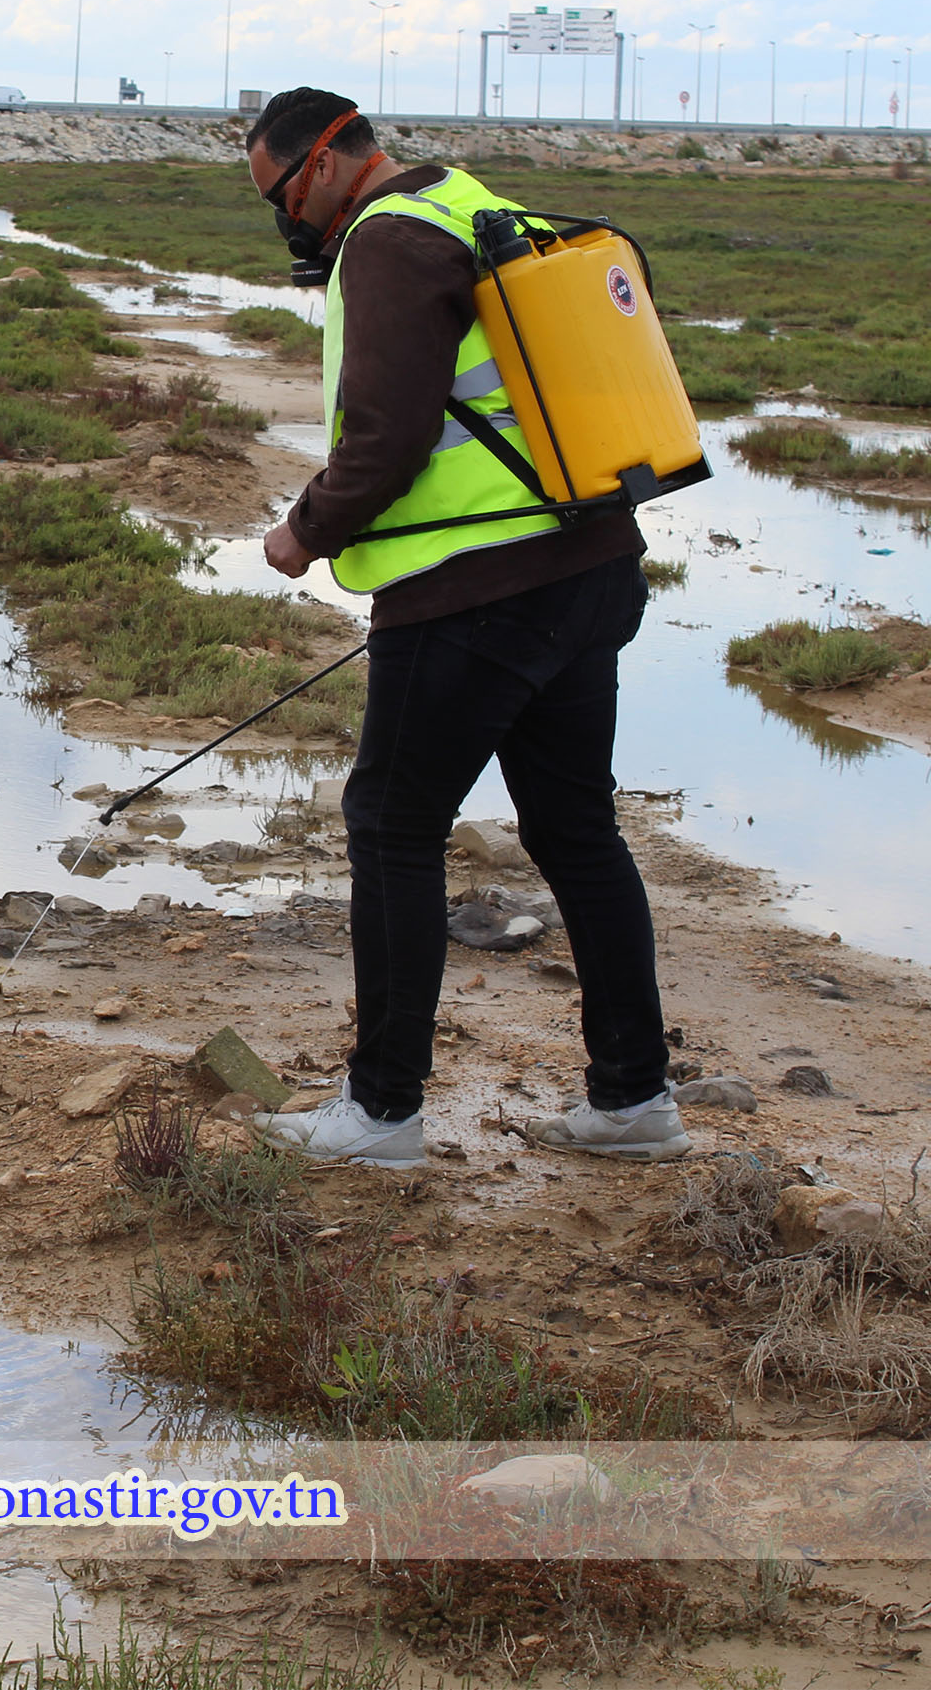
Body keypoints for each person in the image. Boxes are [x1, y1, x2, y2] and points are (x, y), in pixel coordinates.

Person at [241, 87, 689, 1168]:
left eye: (286, 196)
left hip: (472, 595)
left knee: (392, 828)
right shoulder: (467, 205)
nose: (291, 224)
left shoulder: (387, 242)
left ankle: (381, 1115)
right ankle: (632, 1102)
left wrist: (302, 533)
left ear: (337, 155)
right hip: (589, 569)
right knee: (579, 835)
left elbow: (386, 440)